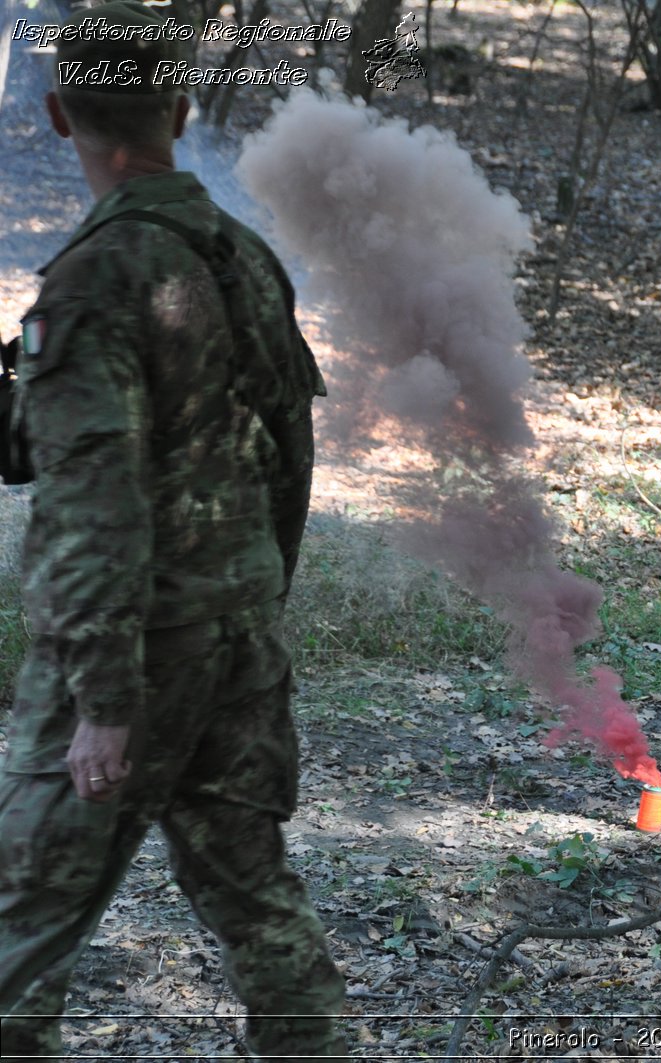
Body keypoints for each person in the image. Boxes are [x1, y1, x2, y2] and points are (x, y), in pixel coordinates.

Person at [0, 3, 345, 1058]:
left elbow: (94, 500)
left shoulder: (98, 280)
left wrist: (105, 703)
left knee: (19, 923)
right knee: (253, 897)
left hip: (132, 655)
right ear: (181, 110)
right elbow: (289, 453)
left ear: (60, 116)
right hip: (234, 634)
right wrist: (253, 610)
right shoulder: (241, 256)